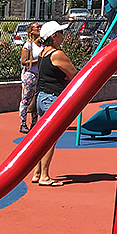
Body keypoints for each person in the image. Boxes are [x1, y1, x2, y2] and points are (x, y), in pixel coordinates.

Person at [31, 20, 79, 187]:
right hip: (52, 99)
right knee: (50, 139)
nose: (63, 36)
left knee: (42, 138)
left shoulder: (44, 53)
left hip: (41, 98)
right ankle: (44, 176)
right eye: (60, 33)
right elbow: (75, 75)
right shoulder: (57, 54)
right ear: (53, 36)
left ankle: (37, 173)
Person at [18, 22, 43, 134]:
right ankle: (23, 123)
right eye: (37, 27)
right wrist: (38, 61)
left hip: (39, 75)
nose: (39, 29)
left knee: (36, 99)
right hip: (30, 75)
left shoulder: (41, 45)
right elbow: (24, 62)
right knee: (26, 99)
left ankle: (34, 123)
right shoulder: (28, 45)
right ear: (31, 31)